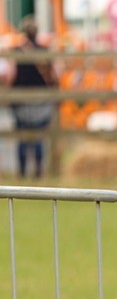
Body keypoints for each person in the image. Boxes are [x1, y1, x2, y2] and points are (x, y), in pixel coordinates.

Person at [7, 18, 56, 180]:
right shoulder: (45, 50)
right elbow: (53, 75)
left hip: (20, 100)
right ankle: (38, 172)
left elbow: (11, 75)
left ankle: (22, 173)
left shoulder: (16, 51)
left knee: (22, 136)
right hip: (41, 100)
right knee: (38, 137)